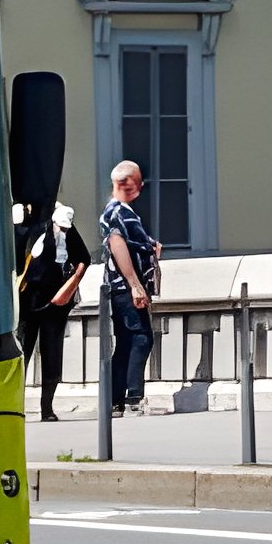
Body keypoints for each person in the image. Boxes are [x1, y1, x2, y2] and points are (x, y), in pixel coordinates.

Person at [15, 199, 92, 421]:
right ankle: (15, 405)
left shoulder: (61, 219)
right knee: (22, 352)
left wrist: (69, 287)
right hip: (27, 298)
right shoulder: (22, 222)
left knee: (51, 352)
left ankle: (46, 408)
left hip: (55, 300)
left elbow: (83, 258)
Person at [100, 158, 160, 416]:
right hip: (125, 288)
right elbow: (117, 243)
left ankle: (115, 401)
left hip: (122, 287)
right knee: (141, 338)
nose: (140, 186)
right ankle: (133, 397)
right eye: (136, 182)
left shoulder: (121, 211)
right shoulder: (118, 212)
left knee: (126, 342)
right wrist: (135, 285)